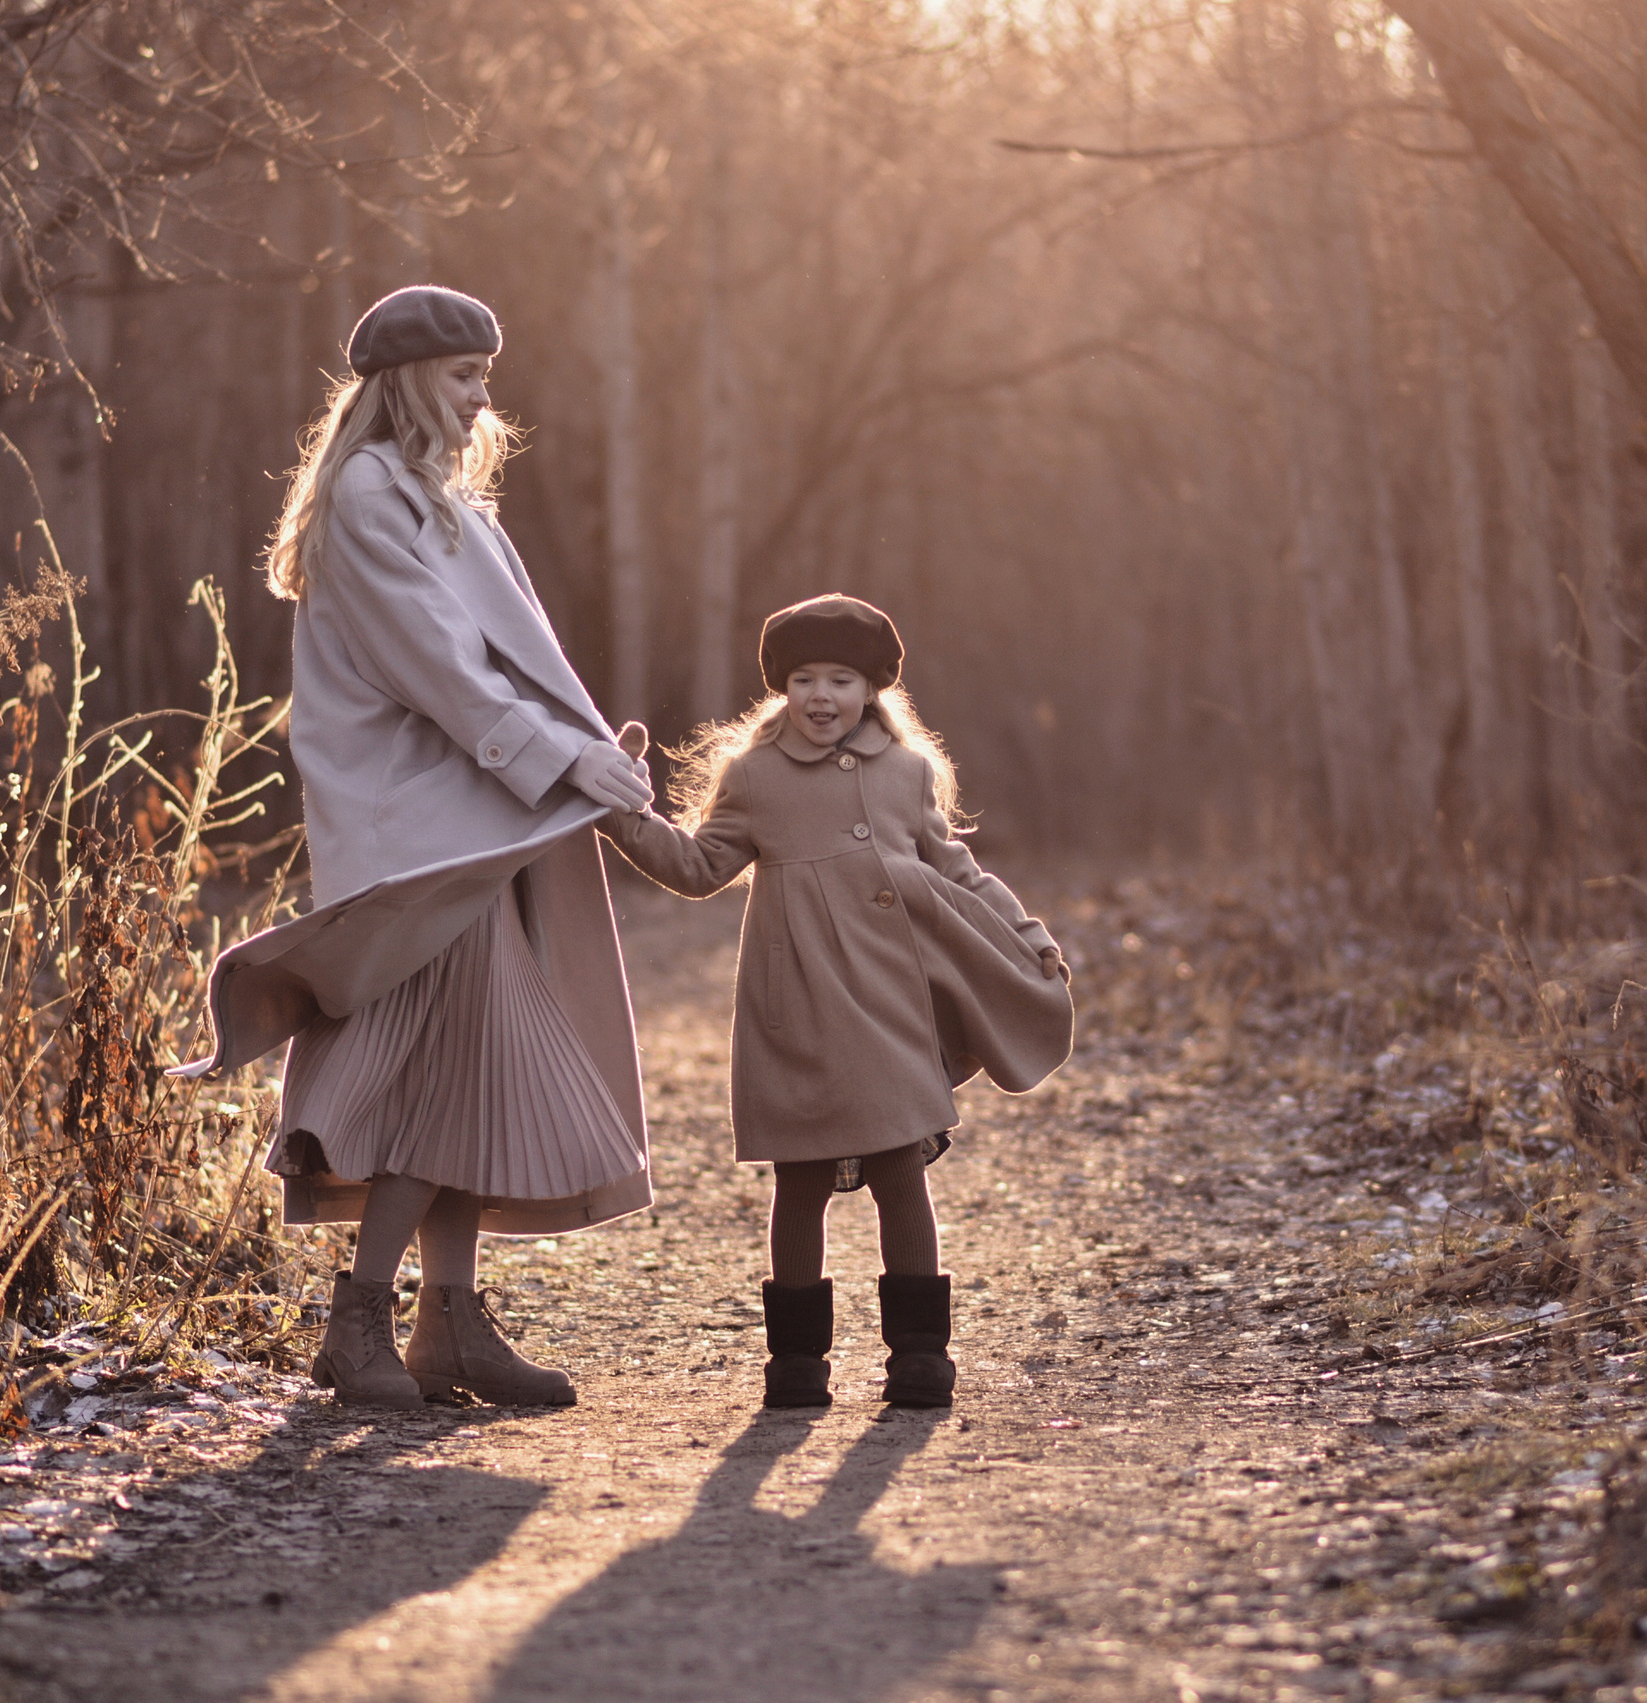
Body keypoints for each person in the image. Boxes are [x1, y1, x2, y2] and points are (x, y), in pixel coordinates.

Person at [176, 284, 657, 1410]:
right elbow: (435, 668)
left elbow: (499, 660)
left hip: (474, 814)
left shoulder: (441, 498)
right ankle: (361, 1320)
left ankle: (448, 1325)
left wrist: (575, 751)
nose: (484, 392)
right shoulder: (367, 493)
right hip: (422, 823)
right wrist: (562, 759)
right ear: (404, 380)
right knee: (435, 1069)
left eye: (487, 371)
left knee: (467, 1066)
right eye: (461, 372)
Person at [599, 594, 1073, 1408]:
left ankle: (921, 1353)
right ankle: (796, 1363)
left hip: (890, 1000)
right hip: (799, 1002)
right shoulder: (753, 776)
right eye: (804, 678)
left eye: (842, 678)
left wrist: (1027, 934)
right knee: (801, 1179)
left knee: (900, 1169)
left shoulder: (906, 770)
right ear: (782, 688)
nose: (822, 695)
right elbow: (697, 866)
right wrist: (621, 814)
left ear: (873, 687)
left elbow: (957, 867)